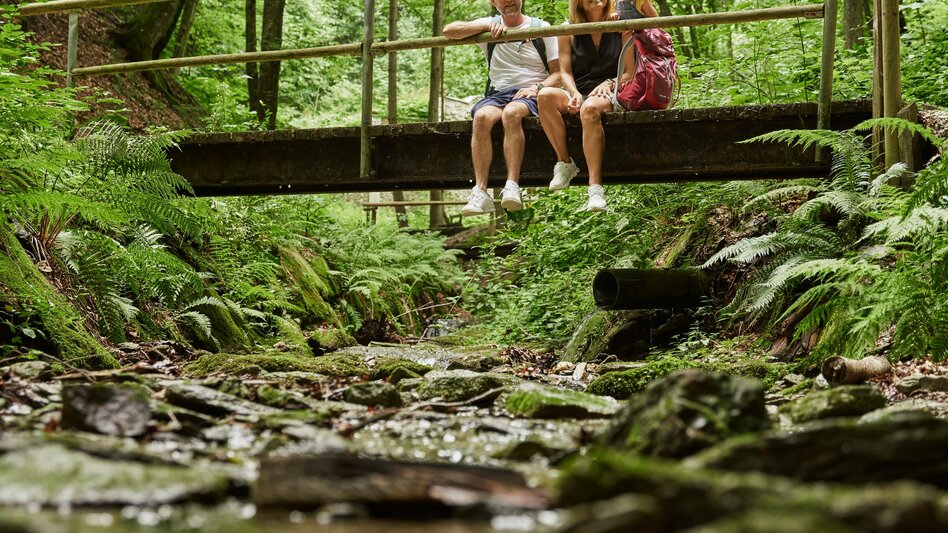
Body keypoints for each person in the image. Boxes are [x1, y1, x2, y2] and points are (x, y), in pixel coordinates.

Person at [537, 0, 657, 211]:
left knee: (590, 108)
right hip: (579, 89)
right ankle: (564, 162)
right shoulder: (568, 29)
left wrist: (610, 83)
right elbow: (565, 72)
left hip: (612, 88)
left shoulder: (620, 23)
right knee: (545, 95)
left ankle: (595, 188)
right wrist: (574, 94)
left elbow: (630, 72)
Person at [444, 0, 560, 216]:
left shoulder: (541, 27)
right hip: (498, 94)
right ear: (494, 2)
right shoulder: (489, 24)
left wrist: (537, 88)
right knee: (481, 117)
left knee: (512, 113)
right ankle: (480, 191)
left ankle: (512, 185)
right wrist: (486, 27)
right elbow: (449, 30)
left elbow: (559, 72)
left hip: (531, 92)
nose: (509, 2)